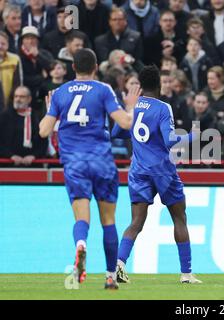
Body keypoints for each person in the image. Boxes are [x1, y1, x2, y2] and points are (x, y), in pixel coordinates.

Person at [38, 48, 140, 289]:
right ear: (95, 68)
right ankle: (110, 277)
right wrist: (131, 105)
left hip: (75, 163)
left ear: (73, 67)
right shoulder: (103, 89)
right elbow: (126, 122)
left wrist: (51, 109)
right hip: (102, 162)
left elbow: (43, 131)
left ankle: (81, 244)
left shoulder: (61, 93)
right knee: (108, 221)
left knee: (82, 218)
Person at [112, 65, 202, 284]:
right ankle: (186, 274)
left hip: (138, 171)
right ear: (159, 85)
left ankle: (119, 265)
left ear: (140, 85)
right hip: (163, 171)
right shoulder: (163, 108)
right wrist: (193, 136)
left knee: (136, 222)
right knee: (179, 218)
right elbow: (170, 140)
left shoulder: (134, 108)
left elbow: (115, 133)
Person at [0, 86, 48, 165]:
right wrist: (10, 156)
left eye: (22, 97)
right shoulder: (4, 116)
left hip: (33, 164)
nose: (18, 99)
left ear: (29, 99)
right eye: (16, 96)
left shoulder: (37, 117)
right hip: (8, 163)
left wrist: (33, 156)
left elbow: (44, 142)